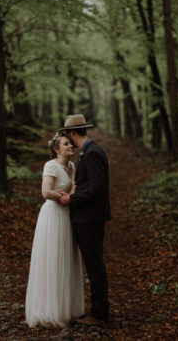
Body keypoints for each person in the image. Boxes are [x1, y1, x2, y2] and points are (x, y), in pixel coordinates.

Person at [25, 132, 84, 328]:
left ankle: (66, 308)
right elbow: (45, 192)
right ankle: (50, 310)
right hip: (53, 215)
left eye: (70, 144)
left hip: (67, 215)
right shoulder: (50, 166)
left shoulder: (72, 166)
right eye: (66, 144)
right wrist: (62, 195)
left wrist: (72, 194)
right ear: (56, 149)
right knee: (53, 259)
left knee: (66, 258)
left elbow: (73, 188)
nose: (70, 147)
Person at [59, 114, 111, 327]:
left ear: (72, 133)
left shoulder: (93, 153)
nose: (66, 140)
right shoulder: (88, 152)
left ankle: (99, 314)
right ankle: (99, 310)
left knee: (94, 265)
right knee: (93, 264)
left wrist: (72, 197)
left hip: (90, 219)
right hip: (87, 218)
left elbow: (97, 187)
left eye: (66, 135)